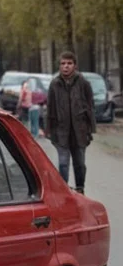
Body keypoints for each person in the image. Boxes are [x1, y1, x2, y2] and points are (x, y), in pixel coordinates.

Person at [46, 51, 96, 194]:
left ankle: (80, 189)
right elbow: (50, 107)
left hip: (80, 130)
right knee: (63, 163)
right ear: (60, 66)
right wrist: (48, 130)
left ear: (75, 65)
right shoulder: (55, 84)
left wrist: (90, 129)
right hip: (61, 131)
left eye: (69, 63)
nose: (66, 67)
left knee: (79, 164)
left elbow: (91, 106)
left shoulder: (83, 83)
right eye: (63, 64)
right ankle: (64, 191)